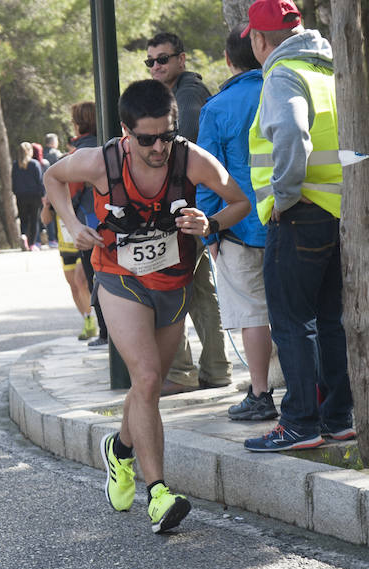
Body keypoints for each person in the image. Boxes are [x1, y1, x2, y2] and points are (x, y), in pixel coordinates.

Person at [44, 79, 250, 533]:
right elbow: (52, 176)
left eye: (167, 135)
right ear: (125, 131)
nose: (159, 147)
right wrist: (73, 222)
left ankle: (119, 448)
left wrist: (209, 222)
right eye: (147, 139)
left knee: (147, 388)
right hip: (120, 279)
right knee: (149, 375)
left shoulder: (191, 159)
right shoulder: (101, 162)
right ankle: (158, 492)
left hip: (174, 282)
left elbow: (239, 202)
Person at [241, 0, 354, 452]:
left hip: (299, 212)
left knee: (291, 322)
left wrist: (283, 197)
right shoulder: (326, 71)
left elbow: (290, 133)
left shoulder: (282, 74)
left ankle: (300, 423)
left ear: (258, 38)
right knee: (330, 321)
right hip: (334, 212)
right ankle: (338, 417)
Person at [197, 26, 277, 421]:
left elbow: (209, 176)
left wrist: (210, 230)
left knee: (251, 315)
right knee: (297, 314)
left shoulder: (216, 107)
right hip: (286, 221)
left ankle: (261, 393)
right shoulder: (283, 91)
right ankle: (310, 391)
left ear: (228, 59)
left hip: (238, 229)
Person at [146, 32, 232, 395]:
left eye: (162, 59)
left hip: (187, 209)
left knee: (168, 287)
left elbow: (185, 148)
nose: (156, 66)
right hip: (195, 207)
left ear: (181, 59)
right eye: (150, 61)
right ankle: (215, 370)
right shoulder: (178, 93)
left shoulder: (188, 94)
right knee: (199, 291)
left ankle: (180, 372)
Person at [69, 101, 109, 349]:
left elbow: (71, 191)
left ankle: (105, 332)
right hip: (114, 222)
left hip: (89, 226)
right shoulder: (109, 145)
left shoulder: (78, 154)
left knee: (97, 280)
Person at [41, 185, 97, 341]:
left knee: (81, 281)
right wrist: (46, 206)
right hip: (65, 246)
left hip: (81, 243)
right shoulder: (54, 191)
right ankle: (87, 320)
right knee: (73, 287)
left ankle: (94, 319)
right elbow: (46, 219)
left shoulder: (82, 188)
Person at [11, 141, 45, 252]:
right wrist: (43, 195)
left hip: (21, 196)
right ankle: (32, 244)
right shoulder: (34, 164)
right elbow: (40, 181)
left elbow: (13, 182)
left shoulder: (15, 165)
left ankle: (24, 235)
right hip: (34, 195)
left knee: (23, 219)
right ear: (29, 151)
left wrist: (16, 193)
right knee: (34, 220)